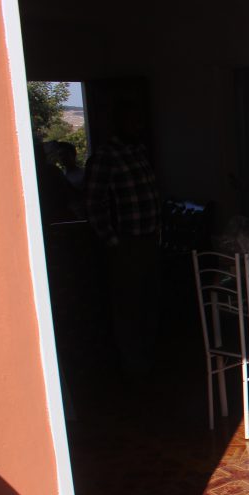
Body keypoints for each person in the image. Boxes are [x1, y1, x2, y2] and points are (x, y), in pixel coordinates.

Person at [84, 102, 162, 378]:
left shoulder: (139, 152)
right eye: (132, 122)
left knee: (148, 301)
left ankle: (149, 360)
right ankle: (134, 367)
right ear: (120, 125)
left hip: (148, 240)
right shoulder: (106, 157)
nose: (138, 127)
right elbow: (94, 203)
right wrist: (112, 240)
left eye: (139, 122)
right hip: (125, 244)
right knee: (128, 306)